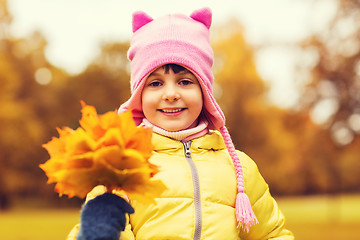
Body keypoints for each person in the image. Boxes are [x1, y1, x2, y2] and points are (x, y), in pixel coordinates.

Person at [67, 7, 294, 240]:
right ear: (139, 96)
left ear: (204, 92)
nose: (171, 94)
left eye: (185, 81)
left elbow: (272, 234)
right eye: (155, 83)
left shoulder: (239, 169)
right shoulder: (122, 168)